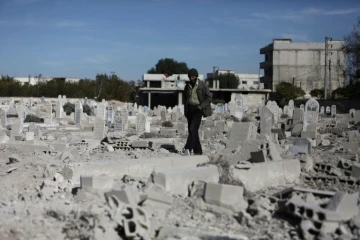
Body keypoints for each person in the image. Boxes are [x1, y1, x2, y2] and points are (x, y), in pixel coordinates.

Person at [183, 68, 212, 155]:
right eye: (190, 77)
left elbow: (209, 98)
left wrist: (201, 106)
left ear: (196, 76)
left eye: (193, 77)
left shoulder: (202, 85)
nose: (192, 78)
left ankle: (187, 148)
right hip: (189, 110)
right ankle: (198, 151)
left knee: (193, 128)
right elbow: (185, 98)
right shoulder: (187, 86)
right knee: (192, 131)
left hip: (198, 109)